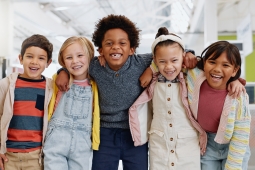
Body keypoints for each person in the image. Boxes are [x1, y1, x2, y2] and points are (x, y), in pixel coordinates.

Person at [56, 14, 197, 170]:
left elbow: (169, 51)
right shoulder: (94, 65)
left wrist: (188, 53)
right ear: (100, 50)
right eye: (109, 44)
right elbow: (76, 63)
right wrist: (63, 71)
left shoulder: (140, 62)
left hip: (135, 133)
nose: (115, 47)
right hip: (105, 134)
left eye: (122, 43)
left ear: (132, 49)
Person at [130, 27, 207, 169]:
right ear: (155, 61)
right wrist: (151, 69)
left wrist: (234, 81)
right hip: (159, 144)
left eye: (174, 60)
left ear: (183, 57)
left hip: (188, 144)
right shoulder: (152, 80)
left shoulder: (190, 76)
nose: (169, 66)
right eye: (162, 62)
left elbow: (214, 73)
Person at [187, 41, 251, 170]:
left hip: (234, 146)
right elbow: (170, 59)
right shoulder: (194, 77)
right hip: (207, 146)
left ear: (235, 70)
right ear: (204, 63)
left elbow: (241, 134)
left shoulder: (239, 96)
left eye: (225, 65)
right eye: (212, 62)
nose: (217, 69)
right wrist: (188, 53)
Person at [43, 36, 99, 170]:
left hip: (83, 143)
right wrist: (63, 71)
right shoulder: (57, 80)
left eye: (80, 55)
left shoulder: (97, 83)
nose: (75, 61)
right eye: (69, 58)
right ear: (63, 61)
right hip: (56, 140)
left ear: (90, 55)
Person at [0, 34, 53, 170]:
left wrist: (63, 72)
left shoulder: (51, 87)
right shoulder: (6, 85)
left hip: (36, 156)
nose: (35, 62)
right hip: (8, 155)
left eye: (41, 58)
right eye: (30, 56)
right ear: (21, 58)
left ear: (48, 63)